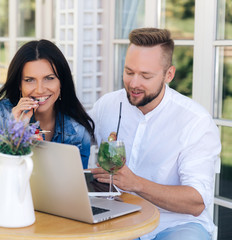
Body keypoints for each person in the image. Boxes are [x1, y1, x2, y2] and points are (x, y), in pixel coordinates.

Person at [89, 28, 221, 240]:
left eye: (145, 76)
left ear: (169, 74)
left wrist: (135, 183)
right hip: (117, 219)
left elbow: (196, 202)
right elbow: (73, 136)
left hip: (176, 224)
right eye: (129, 72)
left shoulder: (196, 122)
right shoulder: (107, 105)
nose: (133, 83)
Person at [0, 39, 95, 187]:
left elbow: (74, 189)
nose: (40, 90)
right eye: (30, 80)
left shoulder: (77, 130)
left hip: (53, 209)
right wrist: (14, 133)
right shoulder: (0, 114)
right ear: (19, 85)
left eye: (49, 78)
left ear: (62, 82)